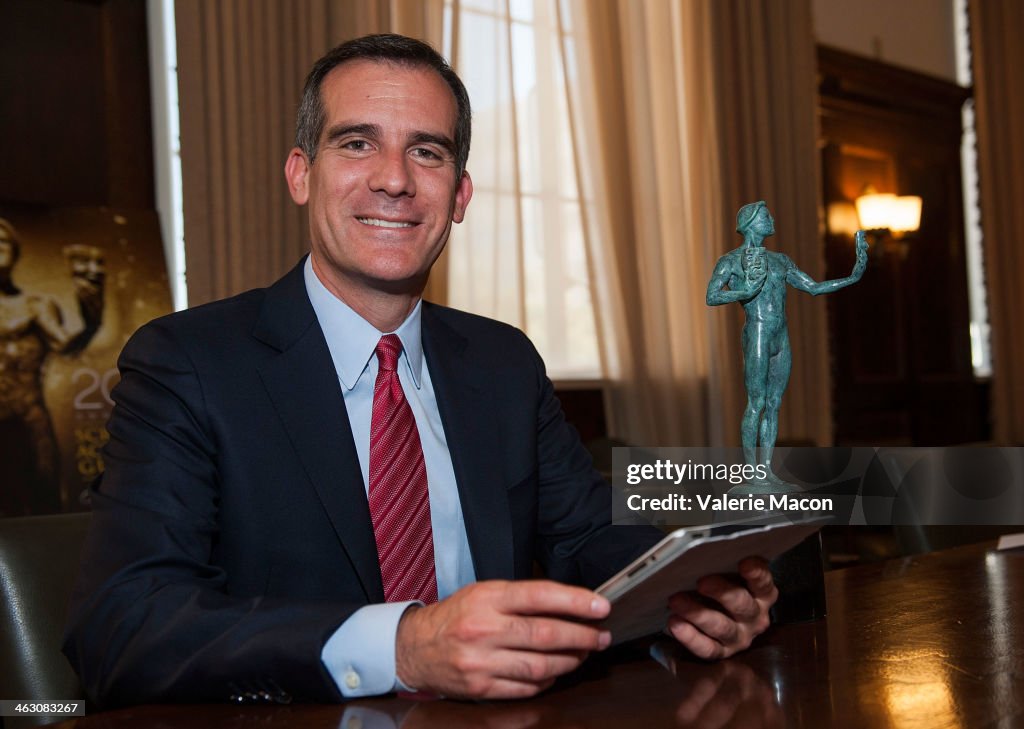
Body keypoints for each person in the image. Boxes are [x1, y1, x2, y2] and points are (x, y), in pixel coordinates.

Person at [64, 34, 778, 707]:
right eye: (356, 143)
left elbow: (587, 536)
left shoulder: (503, 363)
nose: (395, 180)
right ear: (300, 175)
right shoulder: (187, 363)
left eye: (427, 152)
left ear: (459, 196)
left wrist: (695, 588)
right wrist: (402, 645)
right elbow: (125, 624)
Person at [706, 202, 868, 489]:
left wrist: (853, 276)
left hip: (781, 336)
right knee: (756, 403)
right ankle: (752, 472)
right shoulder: (731, 261)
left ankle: (766, 470)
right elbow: (712, 296)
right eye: (766, 216)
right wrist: (745, 291)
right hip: (758, 332)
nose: (771, 219)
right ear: (751, 223)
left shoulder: (781, 260)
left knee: (774, 403)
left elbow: (814, 287)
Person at [0, 219, 105, 516]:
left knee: (40, 502)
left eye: (3, 241)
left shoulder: (35, 305)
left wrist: (92, 315)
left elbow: (67, 345)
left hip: (27, 420)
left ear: (15, 251)